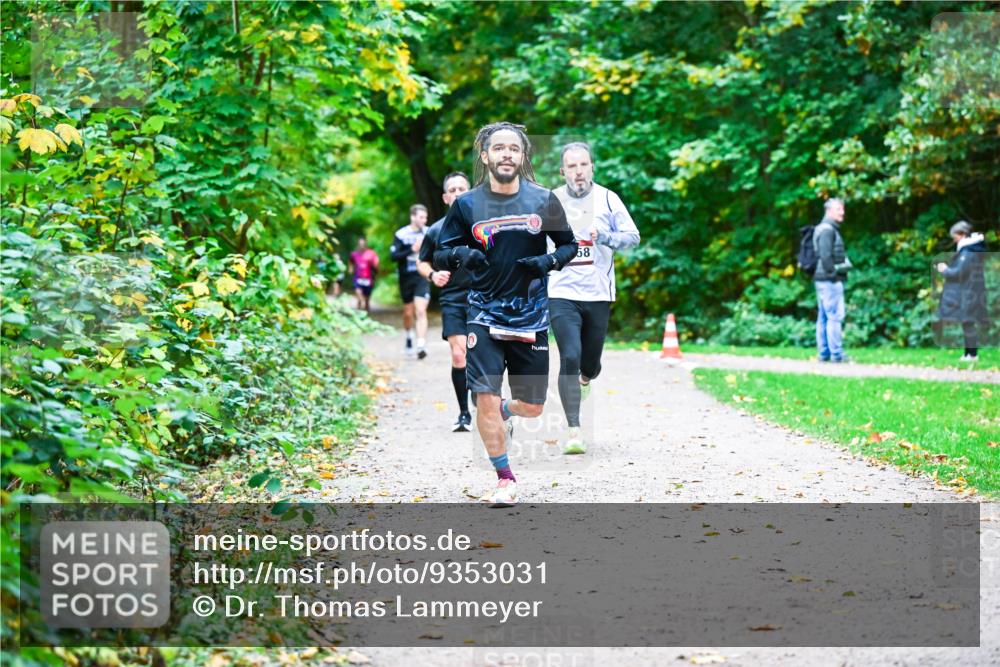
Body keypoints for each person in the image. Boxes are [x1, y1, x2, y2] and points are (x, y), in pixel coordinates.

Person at [433, 122, 577, 507]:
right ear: (485, 156)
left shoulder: (543, 199)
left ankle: (504, 411)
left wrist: (547, 261)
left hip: (531, 316)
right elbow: (440, 253)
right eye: (498, 148)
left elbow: (568, 245)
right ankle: (504, 479)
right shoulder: (467, 205)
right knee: (484, 394)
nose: (506, 154)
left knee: (532, 407)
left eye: (514, 148)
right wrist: (462, 254)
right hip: (483, 312)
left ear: (523, 155)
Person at [548, 142, 640, 455]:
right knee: (569, 356)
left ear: (591, 168)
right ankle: (574, 429)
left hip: (598, 292)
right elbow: (534, 242)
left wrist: (606, 236)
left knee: (589, 364)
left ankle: (585, 379)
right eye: (572, 166)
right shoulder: (551, 201)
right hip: (561, 291)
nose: (578, 171)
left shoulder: (607, 198)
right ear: (563, 171)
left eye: (583, 165)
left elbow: (633, 236)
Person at [418, 171, 474, 432]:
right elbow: (422, 262)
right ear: (445, 197)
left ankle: (483, 398)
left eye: (462, 189)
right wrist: (433, 275)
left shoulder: (483, 227)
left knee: (482, 356)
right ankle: (464, 414)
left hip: (482, 297)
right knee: (459, 353)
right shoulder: (436, 230)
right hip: (452, 298)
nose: (457, 193)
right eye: (452, 190)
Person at [936, 221, 988, 361]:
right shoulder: (970, 250)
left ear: (962, 234)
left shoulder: (968, 252)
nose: (954, 240)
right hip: (970, 291)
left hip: (969, 292)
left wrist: (944, 270)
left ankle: (972, 355)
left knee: (968, 323)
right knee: (967, 323)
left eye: (955, 236)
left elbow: (959, 272)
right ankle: (968, 354)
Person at [813, 198, 852, 362]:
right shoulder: (828, 230)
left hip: (822, 279)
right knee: (834, 316)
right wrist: (834, 274)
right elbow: (825, 256)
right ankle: (836, 354)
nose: (842, 212)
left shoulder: (825, 228)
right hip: (829, 280)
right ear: (829, 211)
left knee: (823, 317)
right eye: (839, 209)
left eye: (842, 209)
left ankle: (824, 354)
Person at [390, 205, 431, 358]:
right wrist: (412, 249)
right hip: (406, 277)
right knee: (408, 312)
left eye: (425, 217)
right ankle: (408, 336)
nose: (424, 220)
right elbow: (393, 256)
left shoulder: (429, 232)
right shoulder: (401, 234)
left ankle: (421, 345)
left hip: (422, 275)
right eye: (421, 217)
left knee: (420, 310)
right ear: (413, 217)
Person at [349, 238, 378, 312]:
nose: (361, 246)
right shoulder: (354, 254)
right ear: (358, 245)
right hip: (358, 276)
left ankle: (366, 309)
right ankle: (359, 304)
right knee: (358, 292)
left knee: (367, 298)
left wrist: (375, 268)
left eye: (363, 244)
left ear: (366, 245)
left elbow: (376, 264)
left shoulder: (371, 254)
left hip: (368, 277)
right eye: (360, 244)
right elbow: (351, 262)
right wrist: (351, 269)